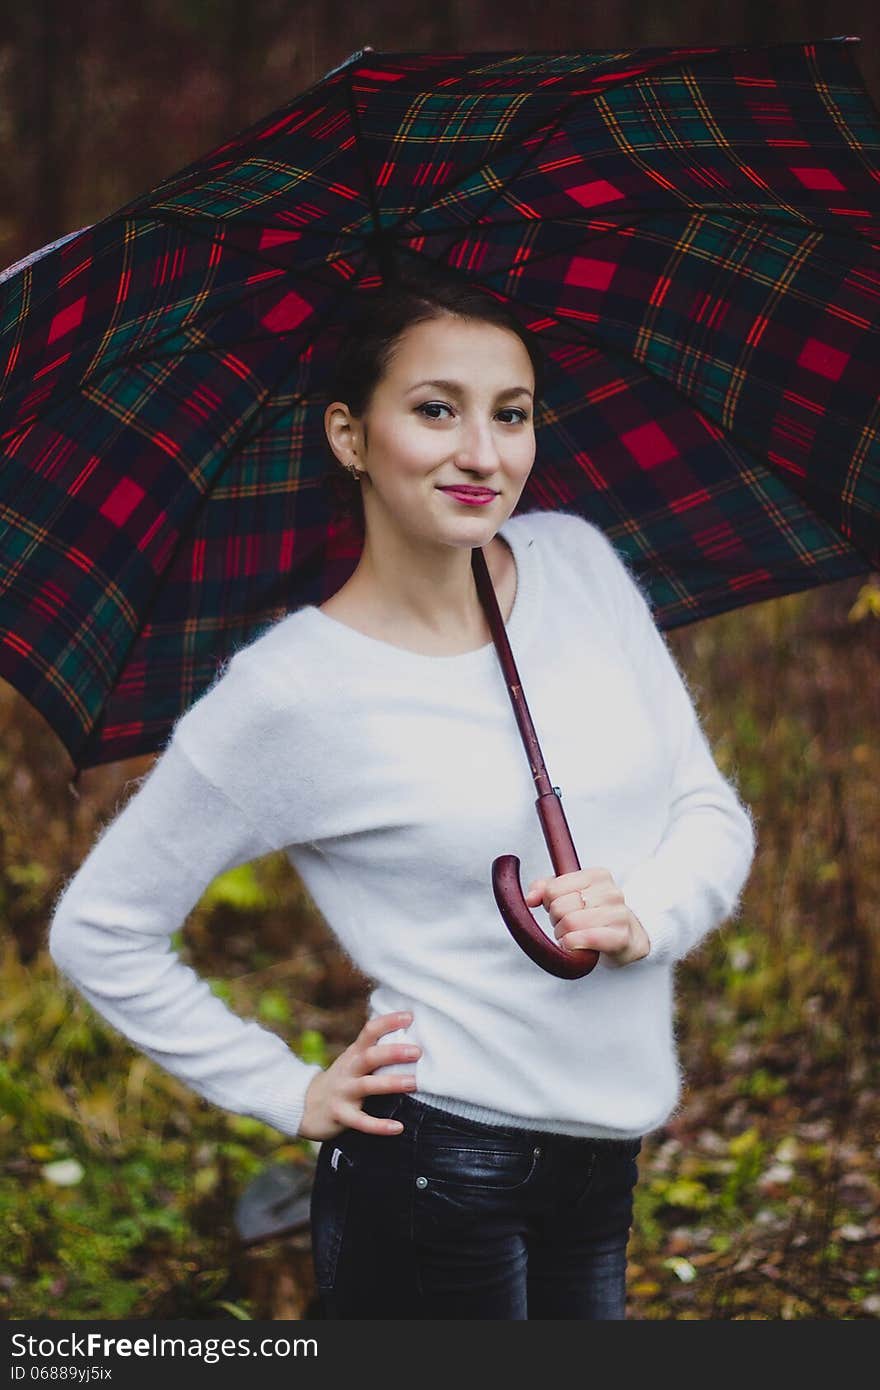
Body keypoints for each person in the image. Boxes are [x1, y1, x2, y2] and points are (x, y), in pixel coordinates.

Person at [47, 271, 757, 1321]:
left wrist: (646, 910)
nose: (483, 453)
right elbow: (100, 930)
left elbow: (709, 809)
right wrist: (284, 1087)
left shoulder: (577, 565)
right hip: (436, 1172)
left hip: (604, 1166)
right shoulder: (292, 693)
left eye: (509, 414)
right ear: (348, 435)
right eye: (436, 410)